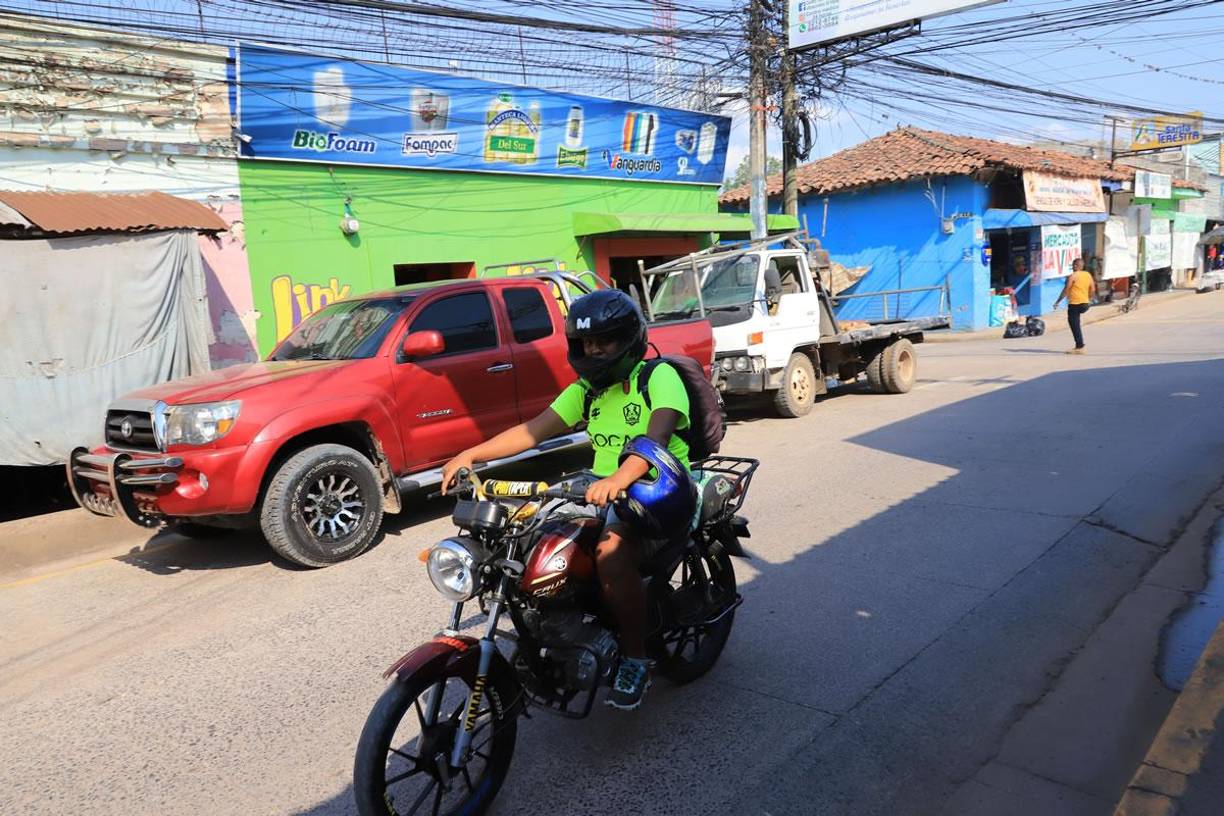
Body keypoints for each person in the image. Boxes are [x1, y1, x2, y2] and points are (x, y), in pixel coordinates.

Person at [440, 288, 692, 710]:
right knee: (529, 540)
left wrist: (620, 476)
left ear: (628, 340)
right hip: (600, 486)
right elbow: (533, 431)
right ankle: (555, 635)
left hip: (658, 485)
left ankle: (635, 658)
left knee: (612, 552)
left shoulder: (658, 377)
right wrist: (473, 455)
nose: (593, 351)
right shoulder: (586, 390)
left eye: (603, 342)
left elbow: (656, 437)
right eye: (586, 343)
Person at [1054, 257, 1094, 354]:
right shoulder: (1088, 275)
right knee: (1076, 323)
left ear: (1076, 266)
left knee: (1074, 325)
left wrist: (1057, 301)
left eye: (1073, 265)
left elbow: (1066, 290)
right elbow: (1092, 289)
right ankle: (1079, 345)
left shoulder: (1073, 276)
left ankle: (1079, 346)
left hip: (1075, 304)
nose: (1072, 267)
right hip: (1085, 304)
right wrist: (1090, 300)